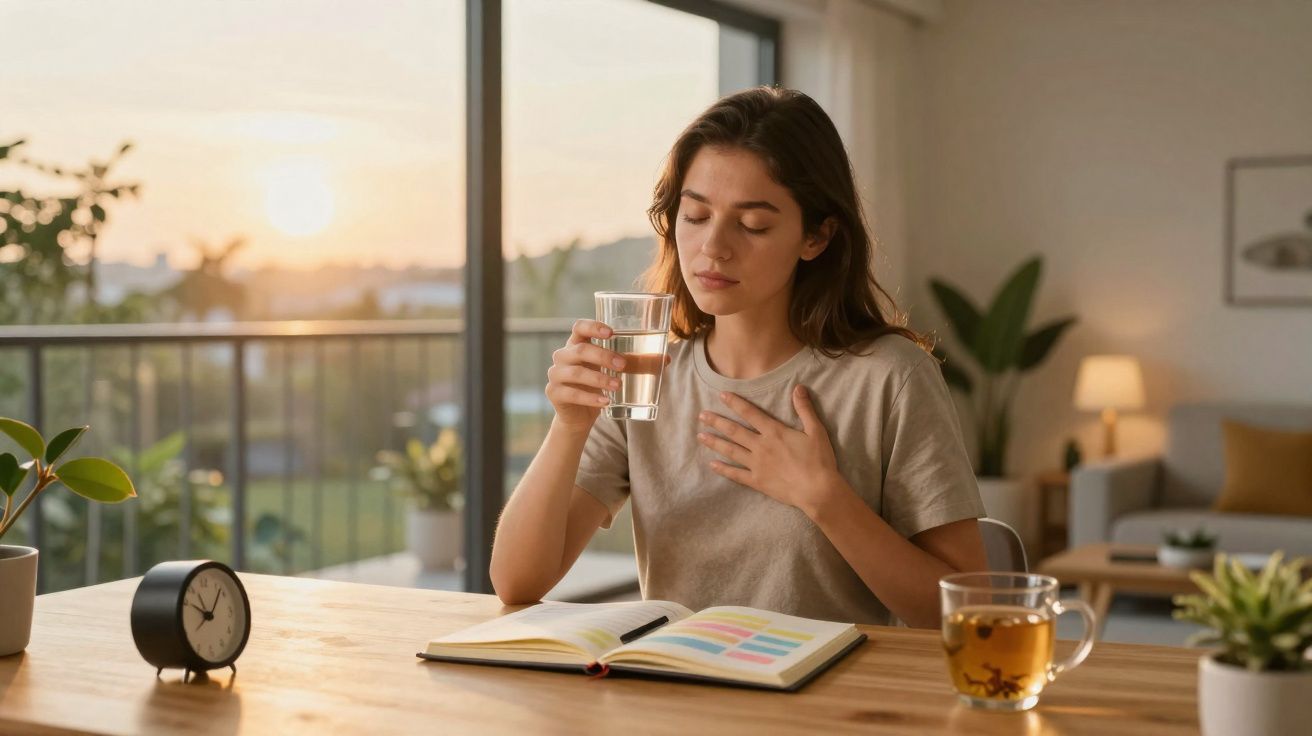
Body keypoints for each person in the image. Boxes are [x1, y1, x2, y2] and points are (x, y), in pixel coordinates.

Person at [490, 86, 987, 628]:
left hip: (827, 702)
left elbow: (965, 612)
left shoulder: (889, 378)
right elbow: (518, 580)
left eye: (753, 224)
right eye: (696, 216)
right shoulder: (647, 375)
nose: (714, 247)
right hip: (679, 691)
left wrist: (825, 499)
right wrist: (569, 426)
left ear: (817, 236)